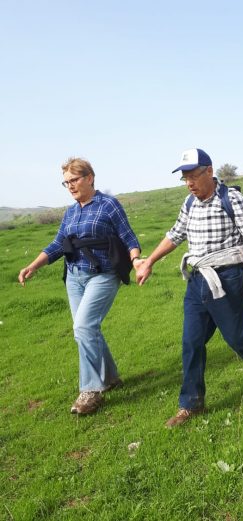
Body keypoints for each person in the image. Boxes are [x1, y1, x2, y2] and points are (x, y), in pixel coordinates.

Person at [135, 148, 243, 428]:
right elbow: (175, 235)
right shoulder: (189, 203)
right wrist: (149, 260)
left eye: (193, 176)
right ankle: (190, 404)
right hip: (198, 280)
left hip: (229, 279)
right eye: (185, 178)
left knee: (239, 340)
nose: (189, 183)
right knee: (191, 342)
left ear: (209, 171)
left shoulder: (231, 198)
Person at [18, 157, 141, 415]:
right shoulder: (71, 212)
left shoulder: (108, 205)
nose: (70, 186)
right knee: (86, 329)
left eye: (74, 180)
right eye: (66, 183)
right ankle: (111, 377)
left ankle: (91, 391)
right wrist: (33, 265)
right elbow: (57, 244)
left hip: (104, 275)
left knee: (83, 326)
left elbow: (128, 236)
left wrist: (137, 260)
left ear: (89, 177)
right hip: (74, 277)